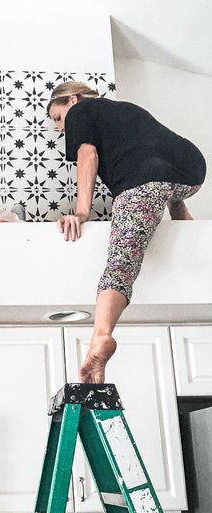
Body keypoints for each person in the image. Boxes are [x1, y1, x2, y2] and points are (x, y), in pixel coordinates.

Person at [47, 81, 206, 384]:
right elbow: (153, 151)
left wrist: (82, 211)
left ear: (71, 99)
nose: (59, 129)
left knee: (120, 264)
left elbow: (88, 156)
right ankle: (179, 211)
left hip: (142, 186)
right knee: (159, 190)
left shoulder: (80, 110)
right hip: (191, 173)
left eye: (57, 118)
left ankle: (102, 336)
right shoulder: (125, 110)